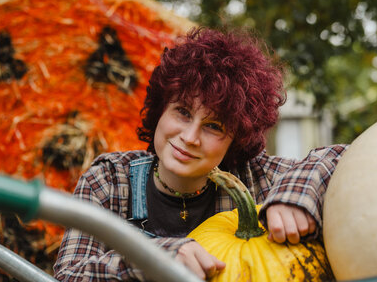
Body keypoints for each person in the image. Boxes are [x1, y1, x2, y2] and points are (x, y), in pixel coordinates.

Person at [53, 26, 347, 281]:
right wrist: (155, 259)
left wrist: (295, 196)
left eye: (214, 126)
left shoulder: (255, 179)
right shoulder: (109, 181)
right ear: (160, 110)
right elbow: (70, 274)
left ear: (236, 139)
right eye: (182, 112)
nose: (190, 137)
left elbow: (343, 157)